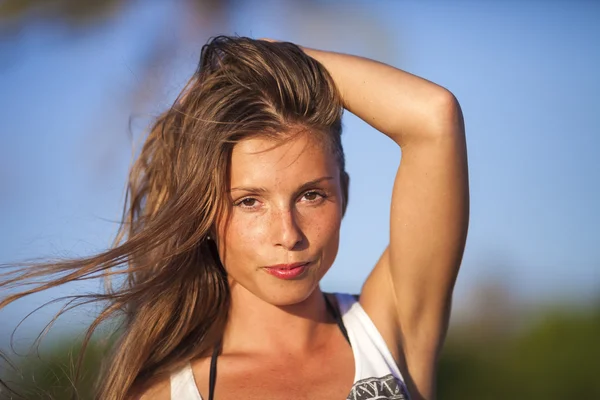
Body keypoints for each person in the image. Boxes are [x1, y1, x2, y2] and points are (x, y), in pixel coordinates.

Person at [0, 36, 468, 400]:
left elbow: (434, 116)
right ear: (204, 212)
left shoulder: (391, 331)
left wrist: (268, 56)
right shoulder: (164, 393)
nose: (287, 235)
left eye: (310, 195)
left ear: (343, 194)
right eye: (249, 201)